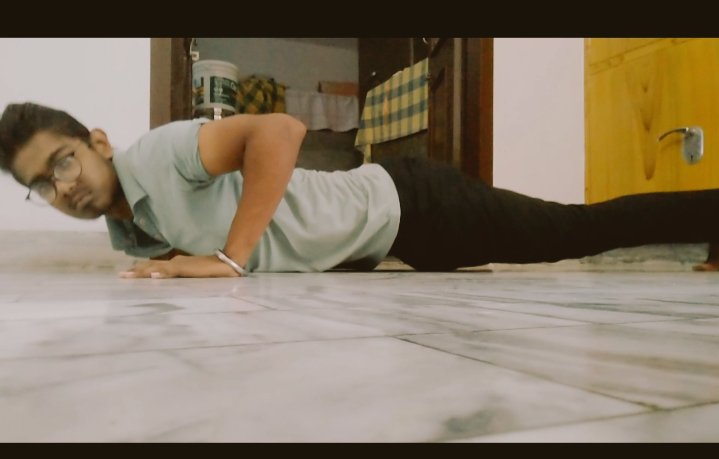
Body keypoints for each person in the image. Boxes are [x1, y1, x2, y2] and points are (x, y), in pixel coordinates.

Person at [1, 102, 718, 279]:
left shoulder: (158, 155)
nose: (63, 188)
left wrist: (228, 258)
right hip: (397, 241)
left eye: (63, 162)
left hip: (414, 204)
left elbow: (279, 130)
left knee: (574, 229)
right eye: (41, 185)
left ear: (98, 141)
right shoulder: (127, 226)